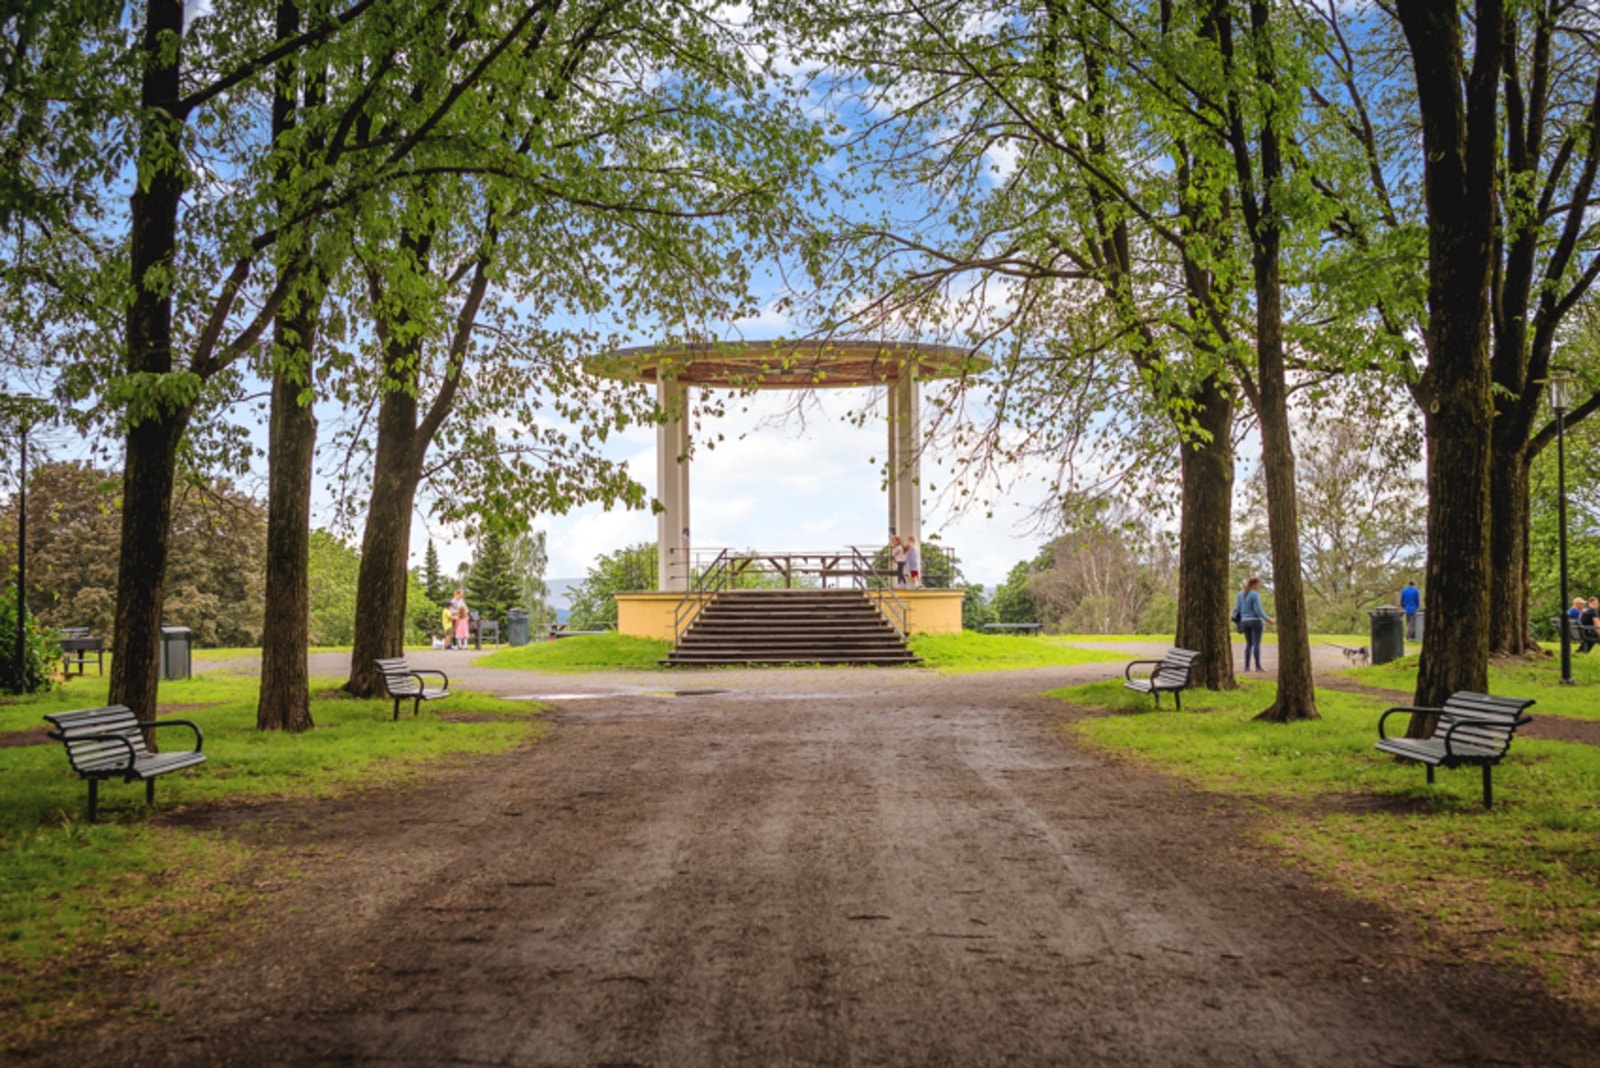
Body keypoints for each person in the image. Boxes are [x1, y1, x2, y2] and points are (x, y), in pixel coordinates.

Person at [1234, 576, 1273, 672]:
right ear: (1254, 585)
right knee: (1256, 644)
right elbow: (1258, 610)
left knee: (1248, 644)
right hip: (1255, 621)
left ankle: (1246, 667)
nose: (1259, 586)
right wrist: (1268, 619)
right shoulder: (1255, 595)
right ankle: (1258, 666)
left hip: (1244, 621)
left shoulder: (1240, 594)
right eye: (1259, 584)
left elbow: (1237, 609)